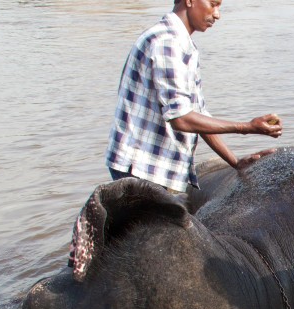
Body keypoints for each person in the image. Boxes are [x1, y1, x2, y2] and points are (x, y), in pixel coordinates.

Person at [105, 0, 283, 195]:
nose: (217, 14)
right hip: (141, 167)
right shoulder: (167, 43)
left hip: (153, 165)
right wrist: (246, 127)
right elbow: (181, 119)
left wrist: (235, 162)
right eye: (213, 4)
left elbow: (197, 114)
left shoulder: (184, 45)